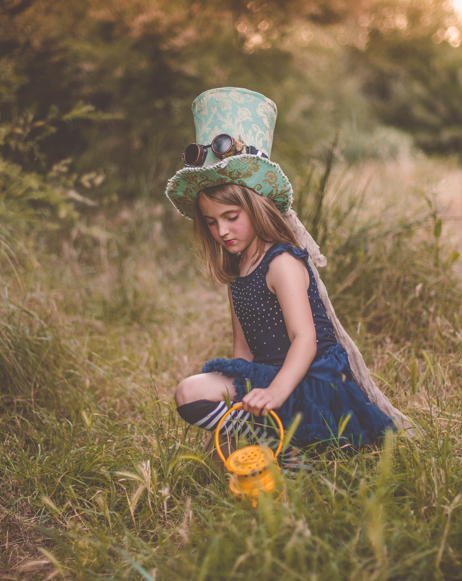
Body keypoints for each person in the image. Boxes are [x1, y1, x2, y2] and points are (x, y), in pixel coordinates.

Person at [166, 87, 410, 462]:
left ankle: (288, 448)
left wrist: (276, 392)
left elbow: (305, 339)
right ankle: (264, 442)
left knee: (197, 390)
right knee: (189, 392)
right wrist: (233, 422)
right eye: (213, 223)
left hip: (308, 384)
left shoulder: (282, 263)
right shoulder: (238, 273)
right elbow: (242, 353)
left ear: (258, 207)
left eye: (232, 218)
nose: (223, 231)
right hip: (268, 380)